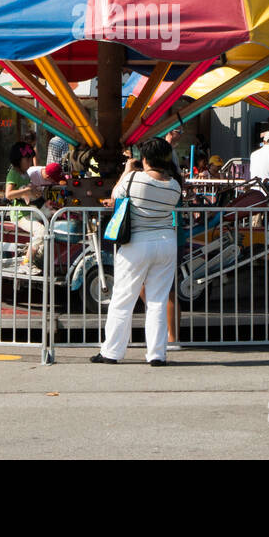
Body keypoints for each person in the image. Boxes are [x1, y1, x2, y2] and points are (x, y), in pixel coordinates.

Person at [92, 138, 183, 366]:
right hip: (165, 242)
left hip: (137, 244)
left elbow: (115, 197)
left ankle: (111, 352)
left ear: (145, 159)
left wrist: (126, 170)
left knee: (123, 298)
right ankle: (157, 354)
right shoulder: (174, 185)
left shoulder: (134, 178)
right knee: (158, 301)